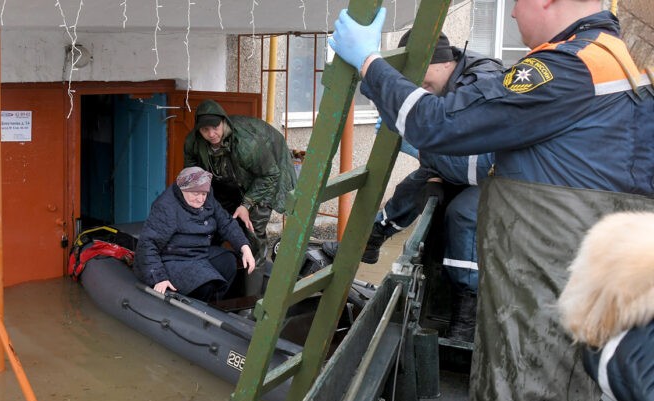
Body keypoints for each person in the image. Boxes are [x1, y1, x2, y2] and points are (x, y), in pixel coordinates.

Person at [329, 1, 653, 401]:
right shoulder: (624, 69)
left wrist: (369, 63)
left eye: (518, 2)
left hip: (539, 311)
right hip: (572, 302)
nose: (516, 14)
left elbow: (438, 123)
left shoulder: (566, 68)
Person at [321, 30, 503, 342]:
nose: (419, 88)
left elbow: (476, 166)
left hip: (502, 174)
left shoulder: (481, 84)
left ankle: (466, 312)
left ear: (439, 63)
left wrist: (424, 152)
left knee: (462, 214)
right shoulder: (451, 78)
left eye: (419, 80)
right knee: (414, 185)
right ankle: (371, 240)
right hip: (473, 165)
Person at [184, 99, 297, 264]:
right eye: (205, 129)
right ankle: (212, 271)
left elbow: (269, 175)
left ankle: (253, 280)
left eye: (215, 128)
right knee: (210, 221)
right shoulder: (193, 142)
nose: (211, 134)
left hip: (266, 173)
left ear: (223, 122)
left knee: (252, 229)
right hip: (227, 178)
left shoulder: (247, 144)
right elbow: (191, 175)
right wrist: (195, 203)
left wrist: (246, 204)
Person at [133, 167, 255, 302]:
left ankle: (213, 305)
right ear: (183, 189)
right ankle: (196, 309)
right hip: (173, 257)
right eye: (196, 194)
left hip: (199, 252)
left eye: (203, 194)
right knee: (205, 285)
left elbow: (226, 222)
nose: (200, 199)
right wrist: (158, 278)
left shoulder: (208, 198)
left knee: (228, 263)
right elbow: (148, 243)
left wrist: (244, 247)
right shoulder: (166, 207)